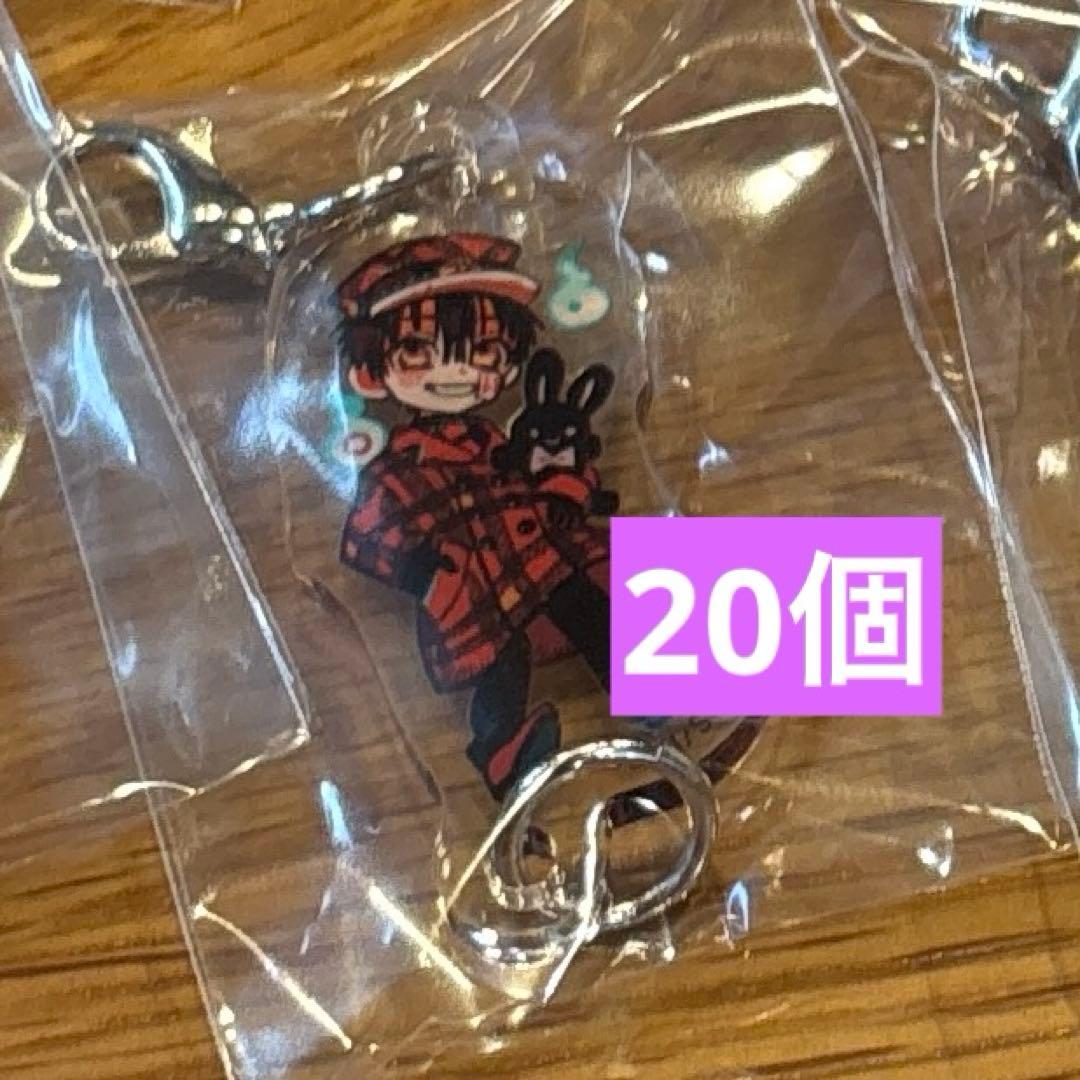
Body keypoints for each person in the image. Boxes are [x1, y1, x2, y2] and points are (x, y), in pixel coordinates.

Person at [338, 233, 614, 799]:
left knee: (584, 604)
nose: (456, 371)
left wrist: (564, 490)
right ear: (369, 375)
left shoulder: (496, 441)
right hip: (469, 593)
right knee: (500, 661)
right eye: (418, 351)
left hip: (539, 560)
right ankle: (501, 750)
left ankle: (660, 686)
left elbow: (541, 478)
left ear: (509, 368)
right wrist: (422, 574)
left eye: (483, 352)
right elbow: (366, 534)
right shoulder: (397, 466)